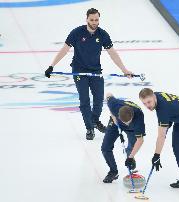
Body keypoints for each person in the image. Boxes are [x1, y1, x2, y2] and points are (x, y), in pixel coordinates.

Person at [44, 8, 133, 140]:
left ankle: (95, 120)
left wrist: (124, 70)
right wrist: (52, 65)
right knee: (84, 100)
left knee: (98, 100)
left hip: (95, 71)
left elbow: (112, 53)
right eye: (91, 20)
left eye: (96, 20)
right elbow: (64, 49)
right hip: (79, 70)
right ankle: (89, 128)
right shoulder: (77, 33)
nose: (94, 22)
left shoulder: (103, 34)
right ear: (86, 19)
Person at [101, 93, 145, 183]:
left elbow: (140, 140)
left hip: (132, 129)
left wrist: (130, 157)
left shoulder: (139, 118)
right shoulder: (114, 105)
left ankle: (131, 158)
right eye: (124, 122)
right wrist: (113, 117)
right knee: (105, 148)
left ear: (132, 117)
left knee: (132, 148)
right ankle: (113, 171)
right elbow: (109, 95)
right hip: (115, 123)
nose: (126, 124)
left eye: (128, 122)